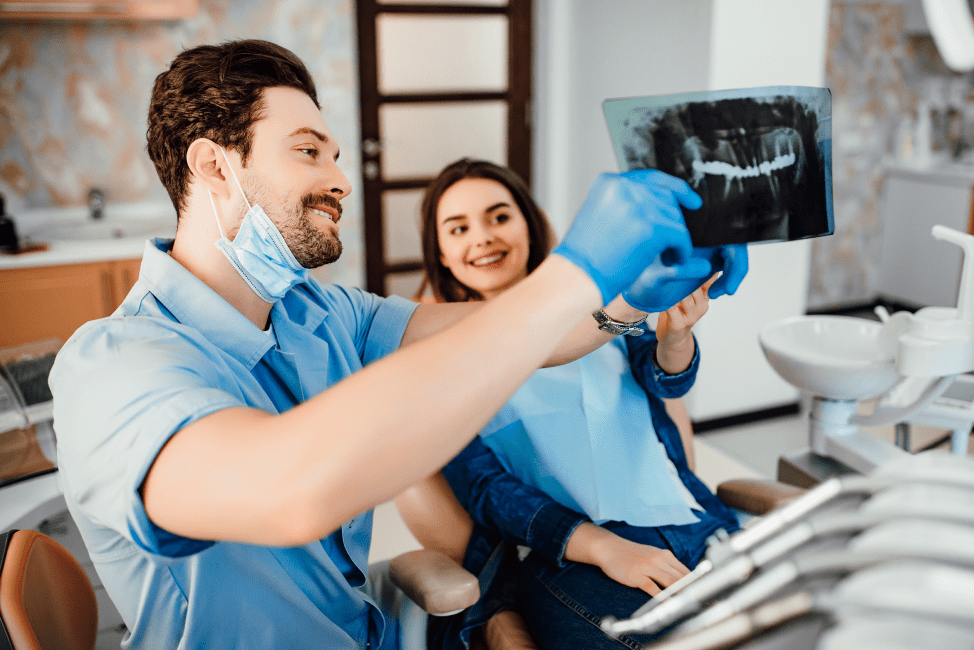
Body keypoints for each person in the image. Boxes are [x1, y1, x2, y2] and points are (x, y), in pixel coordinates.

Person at [46, 40, 731, 650]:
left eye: (334, 157)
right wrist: (575, 270)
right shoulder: (114, 365)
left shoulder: (324, 314)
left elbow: (533, 341)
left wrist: (630, 297)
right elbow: (288, 489)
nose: (340, 180)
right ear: (215, 166)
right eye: (309, 151)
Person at [413, 159, 745, 650]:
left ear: (529, 223)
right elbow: (486, 488)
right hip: (573, 556)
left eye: (499, 216)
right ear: (440, 252)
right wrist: (606, 548)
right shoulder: (437, 354)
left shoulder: (602, 308)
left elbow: (663, 381)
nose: (481, 237)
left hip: (693, 524)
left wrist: (676, 336)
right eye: (458, 228)